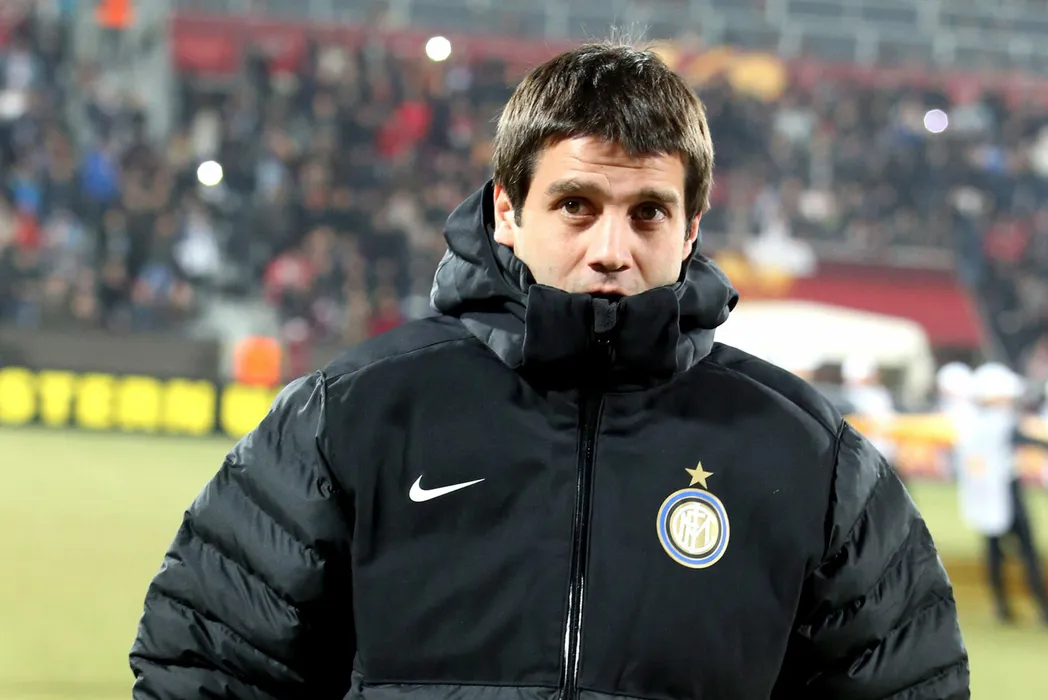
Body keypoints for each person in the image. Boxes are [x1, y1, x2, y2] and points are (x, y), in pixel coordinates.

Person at [130, 42, 969, 699]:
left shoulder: (808, 456)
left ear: (690, 229)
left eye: (648, 213)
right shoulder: (353, 414)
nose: (611, 249)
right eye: (576, 205)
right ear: (507, 208)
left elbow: (908, 684)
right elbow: (206, 666)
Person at [957, 362, 1048, 625]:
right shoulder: (998, 423)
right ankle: (1041, 606)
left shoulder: (971, 422)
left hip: (985, 496)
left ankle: (1002, 605)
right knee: (1027, 551)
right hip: (1006, 493)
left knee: (995, 551)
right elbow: (1025, 439)